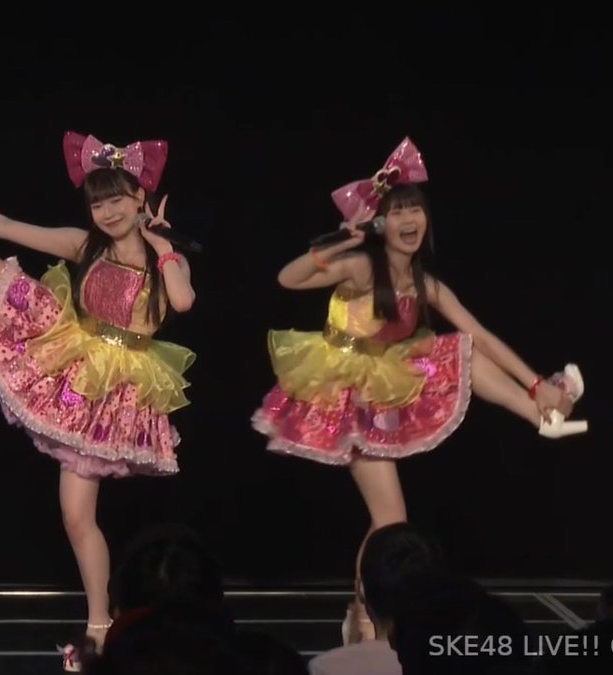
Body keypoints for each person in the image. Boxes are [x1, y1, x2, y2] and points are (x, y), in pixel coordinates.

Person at [0, 131, 197, 669]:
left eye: (117, 199)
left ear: (140, 196)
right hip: (77, 356)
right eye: (98, 203)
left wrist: (163, 248)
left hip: (116, 385)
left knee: (77, 515)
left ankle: (99, 626)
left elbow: (182, 301)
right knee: (0, 274)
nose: (108, 212)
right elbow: (5, 226)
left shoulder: (169, 258)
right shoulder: (85, 245)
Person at [251, 137, 587, 642]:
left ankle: (542, 409)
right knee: (390, 519)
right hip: (345, 391)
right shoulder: (363, 267)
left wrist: (535, 381)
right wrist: (340, 242)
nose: (409, 219)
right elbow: (287, 278)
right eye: (397, 212)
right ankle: (364, 617)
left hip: (385, 379)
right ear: (381, 224)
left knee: (460, 351)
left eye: (415, 210)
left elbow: (481, 335)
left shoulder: (426, 283)